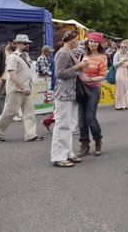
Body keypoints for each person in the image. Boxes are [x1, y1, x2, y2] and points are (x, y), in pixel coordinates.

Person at [0, 34, 45, 143]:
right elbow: (13, 75)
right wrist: (23, 87)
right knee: (9, 112)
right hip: (16, 90)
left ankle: (31, 135)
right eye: (25, 43)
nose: (27, 45)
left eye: (28, 43)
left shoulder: (25, 56)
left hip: (27, 89)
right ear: (18, 44)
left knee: (29, 113)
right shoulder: (12, 58)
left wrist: (28, 87)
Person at [51, 30, 87, 167]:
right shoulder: (63, 53)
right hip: (64, 93)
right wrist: (78, 66)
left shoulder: (70, 52)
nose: (77, 42)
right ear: (70, 40)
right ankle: (58, 156)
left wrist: (79, 68)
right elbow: (59, 73)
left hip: (71, 93)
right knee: (62, 124)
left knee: (70, 125)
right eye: (76, 40)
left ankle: (67, 152)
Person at [77, 33, 107, 157]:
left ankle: (98, 140)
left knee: (90, 117)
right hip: (81, 88)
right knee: (81, 119)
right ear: (87, 42)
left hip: (94, 89)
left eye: (95, 42)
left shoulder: (102, 57)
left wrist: (90, 79)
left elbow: (103, 75)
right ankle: (84, 144)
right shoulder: (83, 55)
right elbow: (78, 69)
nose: (93, 44)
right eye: (91, 41)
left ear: (99, 44)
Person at [0, 37, 22, 122]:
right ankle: (0, 116)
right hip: (4, 77)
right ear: (9, 42)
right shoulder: (0, 51)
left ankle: (12, 115)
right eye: (14, 44)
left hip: (13, 77)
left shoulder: (15, 52)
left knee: (12, 96)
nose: (15, 45)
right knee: (1, 97)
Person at [113, 40, 128, 110]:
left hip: (125, 72)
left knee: (125, 88)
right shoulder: (117, 54)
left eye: (125, 47)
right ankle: (119, 105)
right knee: (119, 88)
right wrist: (122, 61)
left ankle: (126, 104)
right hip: (119, 71)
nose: (123, 48)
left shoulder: (127, 54)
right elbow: (114, 64)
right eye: (122, 47)